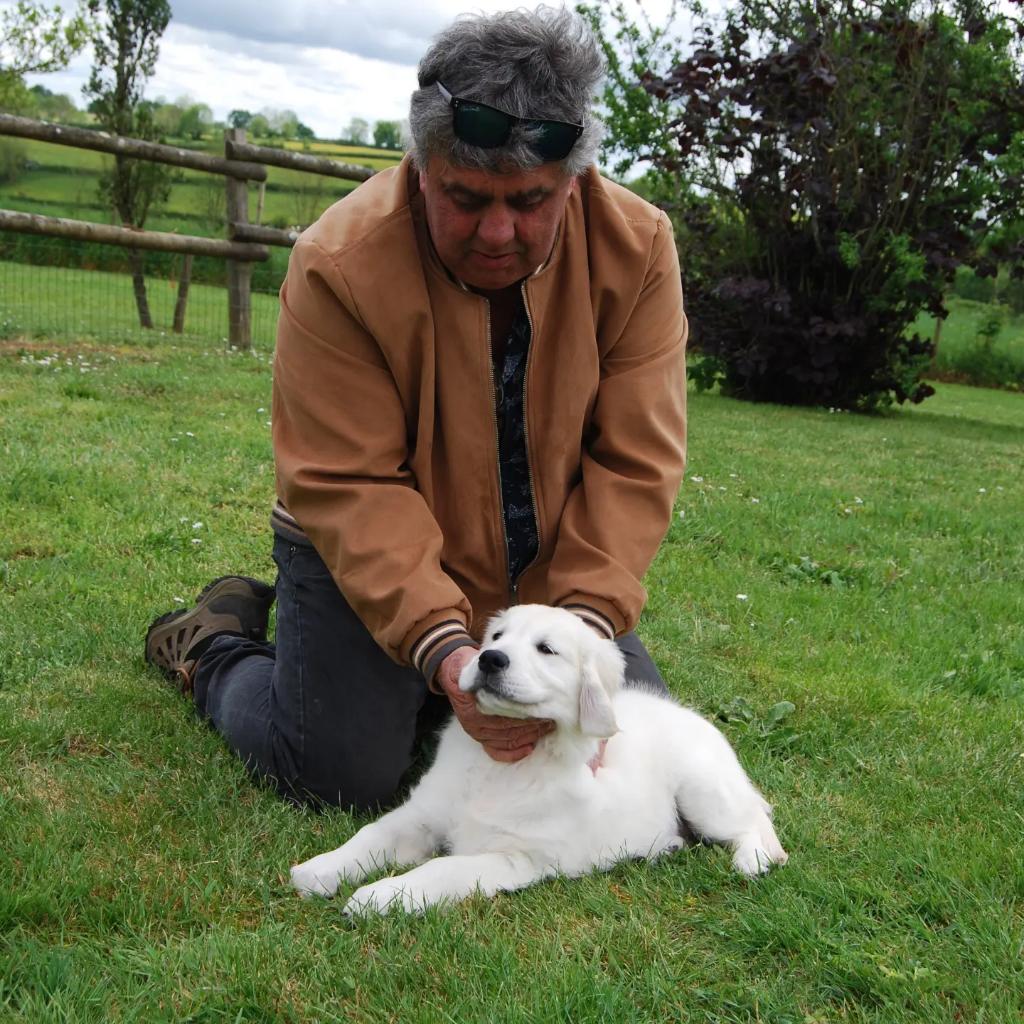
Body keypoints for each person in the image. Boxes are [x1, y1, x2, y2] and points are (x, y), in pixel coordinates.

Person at [145, 6, 688, 810]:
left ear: (575, 181)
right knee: (340, 773)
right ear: (422, 165)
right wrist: (446, 654)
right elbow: (349, 482)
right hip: (359, 552)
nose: (499, 231)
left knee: (633, 749)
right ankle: (214, 643)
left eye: (531, 199)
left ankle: (431, 691)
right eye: (466, 197)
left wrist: (568, 639)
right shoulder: (337, 264)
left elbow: (634, 463)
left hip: (536, 580)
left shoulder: (638, 248)